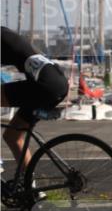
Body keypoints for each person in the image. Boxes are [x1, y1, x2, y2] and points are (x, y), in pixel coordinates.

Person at [1, 26, 68, 170]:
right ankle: (29, 182)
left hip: (45, 85)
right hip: (57, 84)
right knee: (12, 137)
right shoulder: (5, 34)